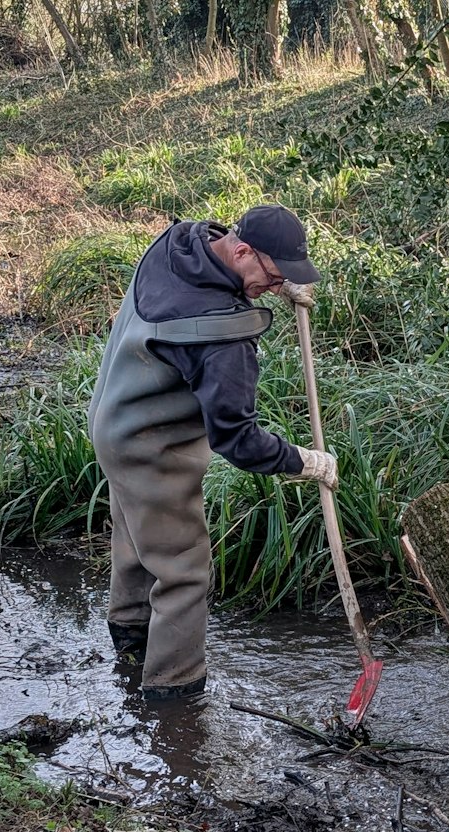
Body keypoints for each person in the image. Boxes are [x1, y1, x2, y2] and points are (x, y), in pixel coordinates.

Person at [88, 203, 339, 700]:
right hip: (151, 449)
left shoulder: (178, 244)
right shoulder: (224, 341)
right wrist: (304, 461)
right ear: (242, 250)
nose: (272, 287)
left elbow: (220, 271)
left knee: (135, 541)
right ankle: (173, 696)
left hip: (110, 420)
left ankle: (130, 642)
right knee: (182, 570)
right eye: (271, 275)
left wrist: (276, 280)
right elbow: (237, 441)